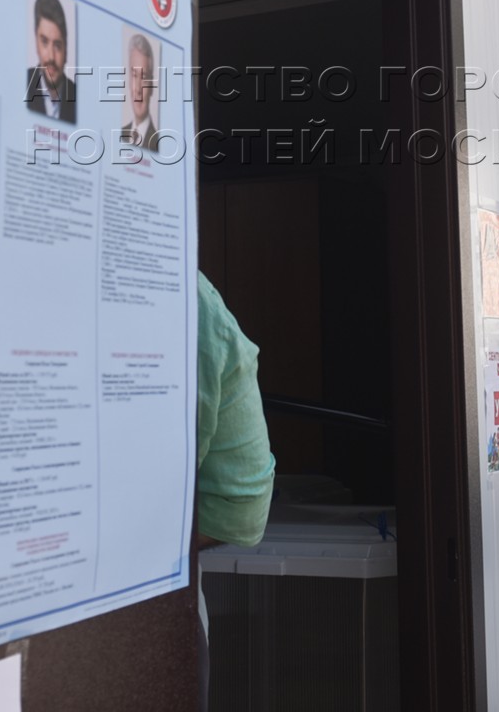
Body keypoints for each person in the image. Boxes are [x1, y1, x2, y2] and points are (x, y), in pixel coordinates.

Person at [192, 272, 275, 707]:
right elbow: (244, 502)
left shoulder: (191, 301)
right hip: (156, 616)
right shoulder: (191, 296)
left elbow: (244, 503)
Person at [23, 0, 76, 122]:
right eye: (45, 42)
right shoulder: (21, 83)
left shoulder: (77, 96)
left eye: (57, 45)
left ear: (66, 49)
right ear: (36, 42)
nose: (51, 57)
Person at [119, 33, 160, 151]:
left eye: (144, 77)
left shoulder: (159, 143)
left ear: (152, 86)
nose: (137, 89)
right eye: (134, 75)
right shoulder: (119, 133)